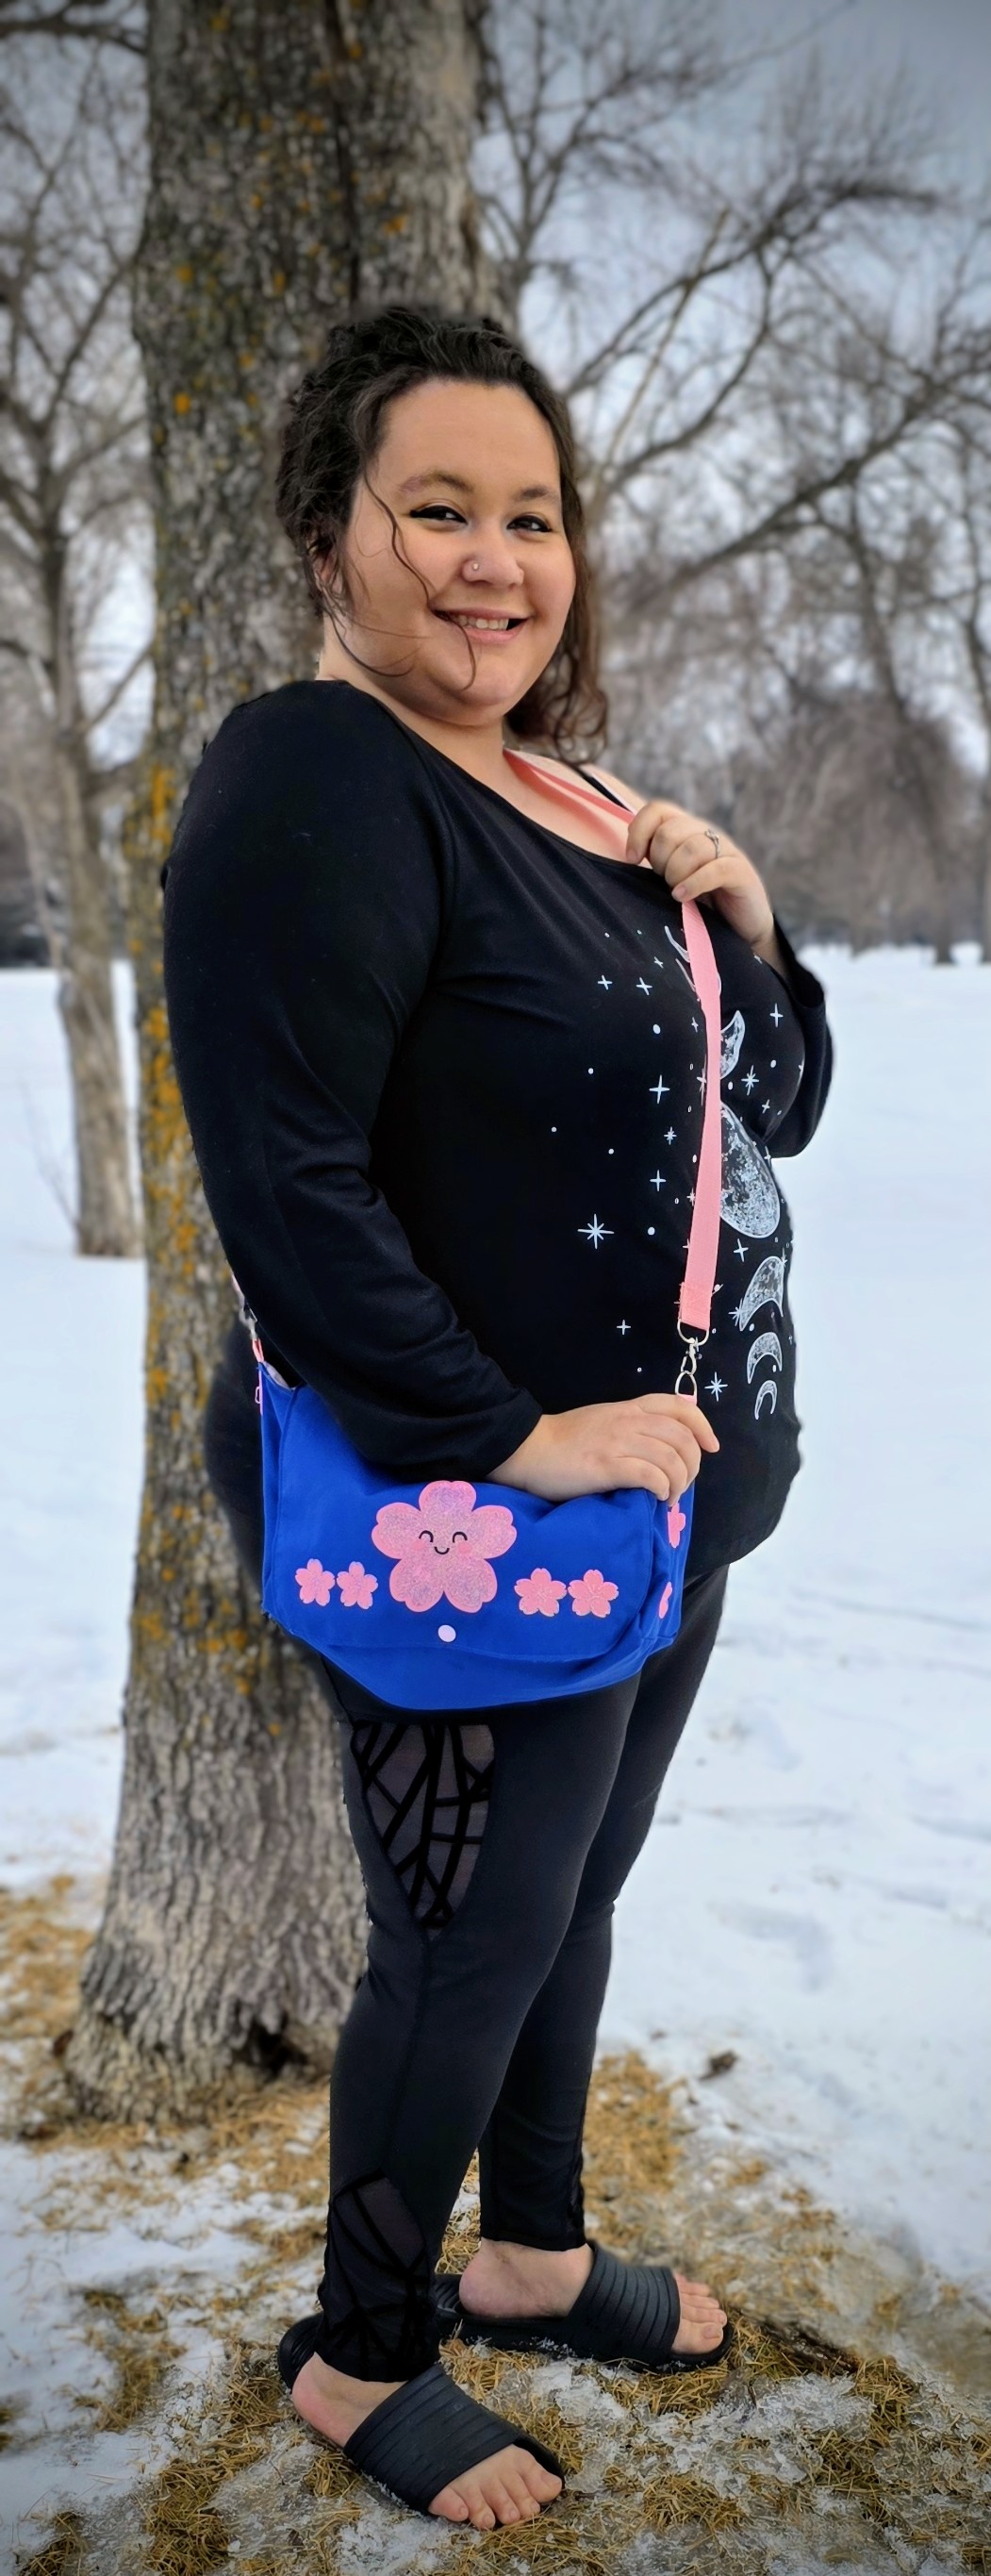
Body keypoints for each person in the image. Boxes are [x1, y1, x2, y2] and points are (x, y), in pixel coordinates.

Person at [162, 303, 832, 2533]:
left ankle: (531, 2251)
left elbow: (773, 1110)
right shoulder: (310, 778)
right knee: (464, 1939)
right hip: (493, 1528)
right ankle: (362, 2356)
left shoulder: (561, 790)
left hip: (669, 1512)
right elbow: (287, 1185)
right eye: (432, 507)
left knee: (571, 1897)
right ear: (325, 538)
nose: (492, 559)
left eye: (528, 513)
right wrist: (505, 1433)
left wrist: (750, 922)